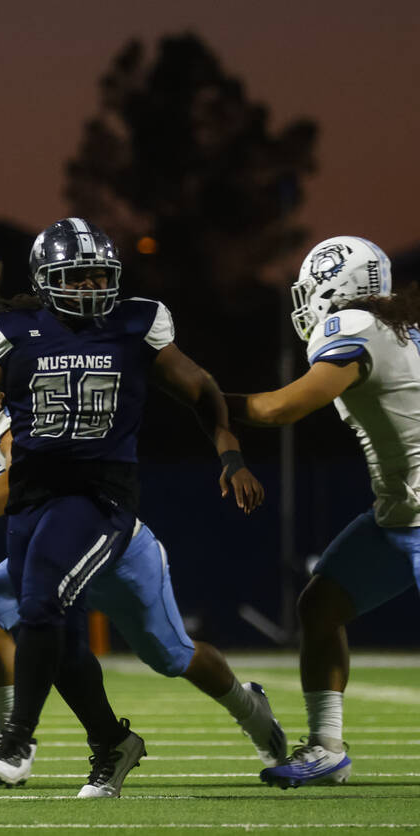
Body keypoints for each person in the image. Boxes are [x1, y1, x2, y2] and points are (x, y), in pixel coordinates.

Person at [0, 218, 263, 796]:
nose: (92, 286)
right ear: (46, 279)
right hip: (32, 497)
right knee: (61, 638)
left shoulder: (136, 322)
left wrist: (231, 454)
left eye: (99, 274)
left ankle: (16, 742)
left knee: (40, 605)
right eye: (77, 276)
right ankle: (111, 742)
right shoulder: (11, 331)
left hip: (100, 494)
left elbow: (201, 390)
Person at [0, 327, 285, 775]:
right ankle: (10, 736)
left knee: (172, 655)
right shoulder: (8, 423)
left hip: (115, 550)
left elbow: (19, 477)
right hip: (54, 550)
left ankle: (247, 706)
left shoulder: (36, 418)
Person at [226, 236, 420, 789]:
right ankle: (327, 748)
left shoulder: (354, 326)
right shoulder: (396, 328)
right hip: (400, 514)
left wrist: (203, 397)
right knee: (321, 606)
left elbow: (280, 408)